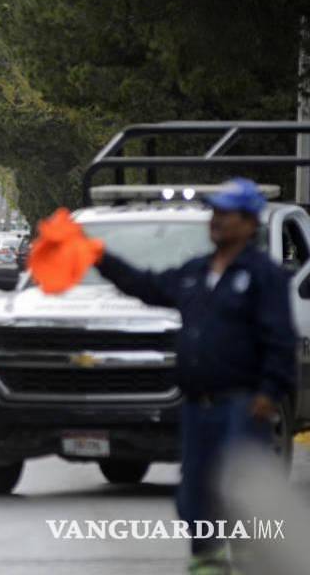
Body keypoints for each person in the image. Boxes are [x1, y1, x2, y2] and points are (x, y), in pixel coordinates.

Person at [92, 178, 296, 574]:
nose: (217, 221)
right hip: (198, 406)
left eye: (227, 214)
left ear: (250, 223)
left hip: (243, 403)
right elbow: (147, 285)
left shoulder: (262, 275)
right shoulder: (196, 271)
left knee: (241, 490)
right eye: (215, 213)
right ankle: (208, 562)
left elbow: (280, 338)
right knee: (193, 495)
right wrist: (99, 256)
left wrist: (271, 391)